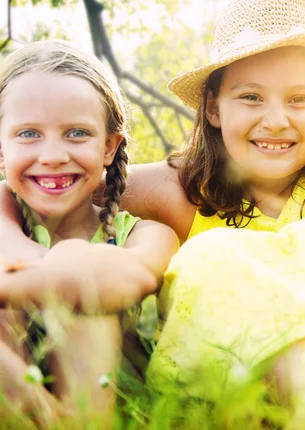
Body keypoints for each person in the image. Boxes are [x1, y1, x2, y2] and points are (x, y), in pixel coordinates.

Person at [0, 0, 305, 417]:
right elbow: (68, 182)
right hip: (251, 373)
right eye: (251, 97)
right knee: (213, 258)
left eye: (300, 99)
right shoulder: (177, 189)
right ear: (213, 107)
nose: (276, 119)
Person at [0, 40, 179, 426]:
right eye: (28, 134)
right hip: (15, 389)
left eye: (77, 133)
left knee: (87, 289)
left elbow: (124, 278)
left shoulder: (144, 234)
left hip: (106, 401)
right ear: (1, 149)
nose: (52, 155)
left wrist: (61, 269)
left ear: (110, 147)